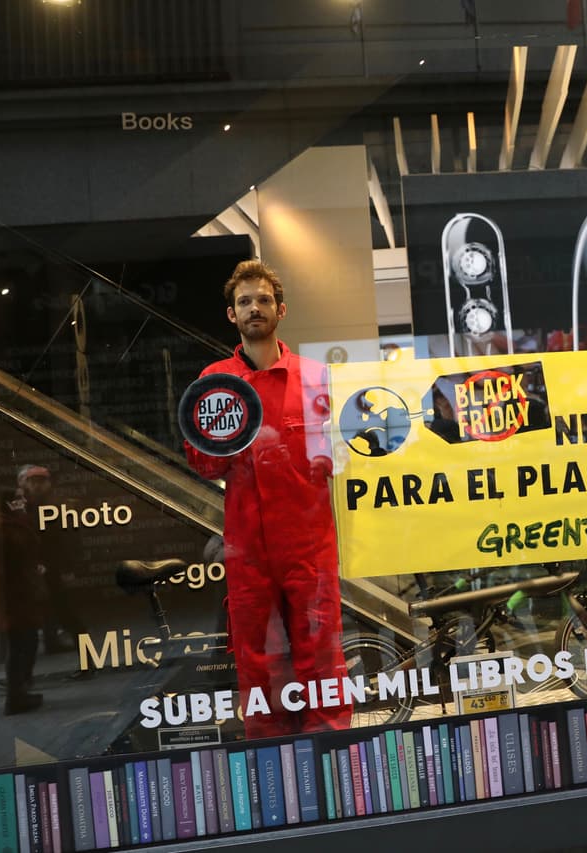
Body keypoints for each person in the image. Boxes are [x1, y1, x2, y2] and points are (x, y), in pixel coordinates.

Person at [185, 260, 350, 738]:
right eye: (244, 302)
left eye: (262, 300)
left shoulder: (315, 377)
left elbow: (340, 456)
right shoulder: (215, 381)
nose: (253, 308)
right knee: (257, 658)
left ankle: (334, 751)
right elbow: (203, 462)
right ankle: (269, 756)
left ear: (281, 309)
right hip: (248, 550)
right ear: (231, 316)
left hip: (309, 547)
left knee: (321, 652)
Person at [0, 464, 52, 715]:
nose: (22, 502)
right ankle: (16, 696)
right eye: (17, 499)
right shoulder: (5, 527)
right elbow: (22, 549)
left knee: (27, 643)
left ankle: (20, 691)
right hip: (17, 595)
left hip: (19, 593)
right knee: (21, 646)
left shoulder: (5, 523)